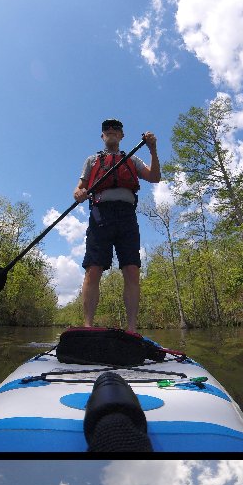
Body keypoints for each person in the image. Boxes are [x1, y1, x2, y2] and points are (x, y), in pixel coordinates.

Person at [74, 119, 161, 336]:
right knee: (93, 269)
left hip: (126, 216)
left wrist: (153, 149)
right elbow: (79, 189)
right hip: (100, 216)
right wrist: (79, 194)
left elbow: (155, 177)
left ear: (122, 135)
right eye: (106, 129)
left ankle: (131, 329)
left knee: (131, 269)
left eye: (116, 129)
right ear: (102, 136)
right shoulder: (92, 160)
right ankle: (87, 327)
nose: (111, 131)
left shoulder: (132, 158)